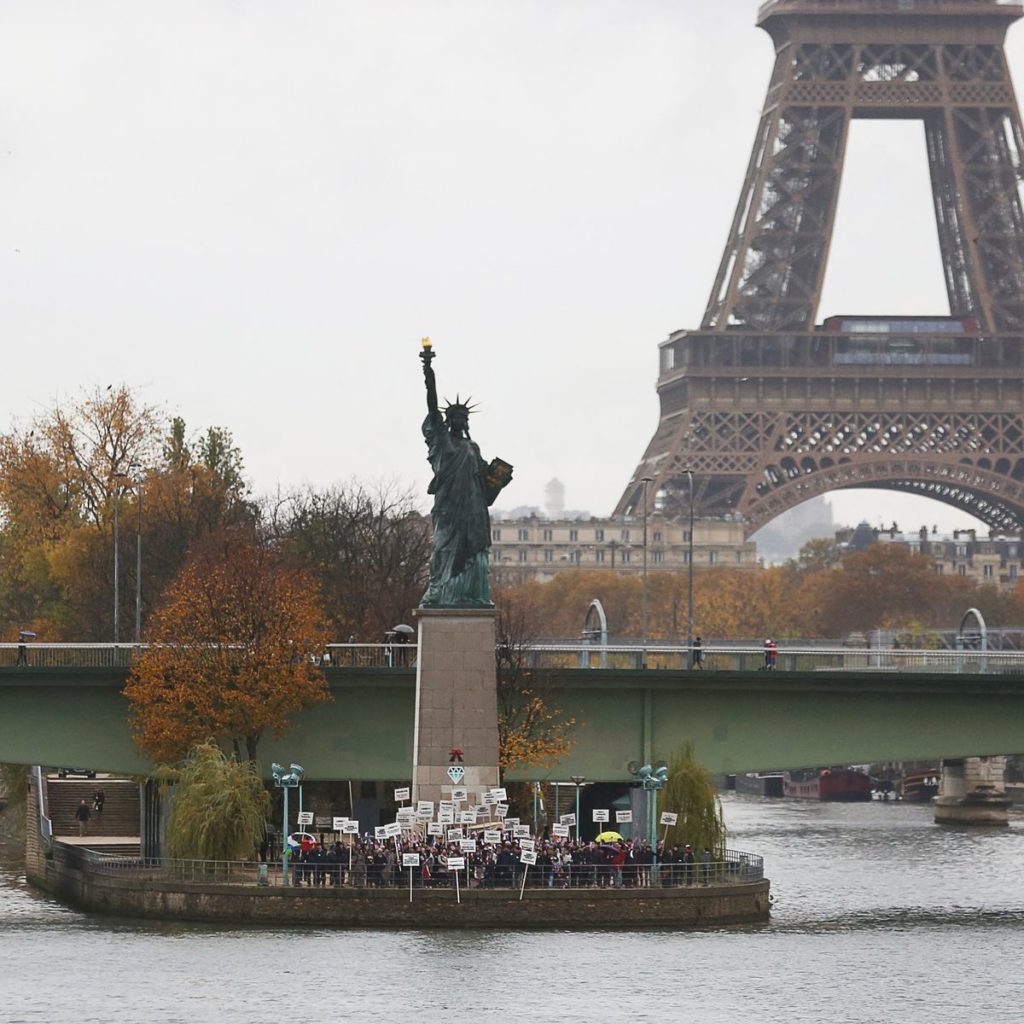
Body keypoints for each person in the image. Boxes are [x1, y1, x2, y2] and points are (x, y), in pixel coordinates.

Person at [419, 339, 512, 607]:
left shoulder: (473, 447)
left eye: (464, 416)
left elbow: (485, 482)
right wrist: (429, 372)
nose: (460, 419)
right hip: (449, 510)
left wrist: (499, 477)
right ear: (448, 420)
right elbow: (431, 405)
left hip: (473, 510)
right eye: (455, 416)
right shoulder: (441, 441)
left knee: (475, 556)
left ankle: (472, 594)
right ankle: (442, 592)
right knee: (444, 550)